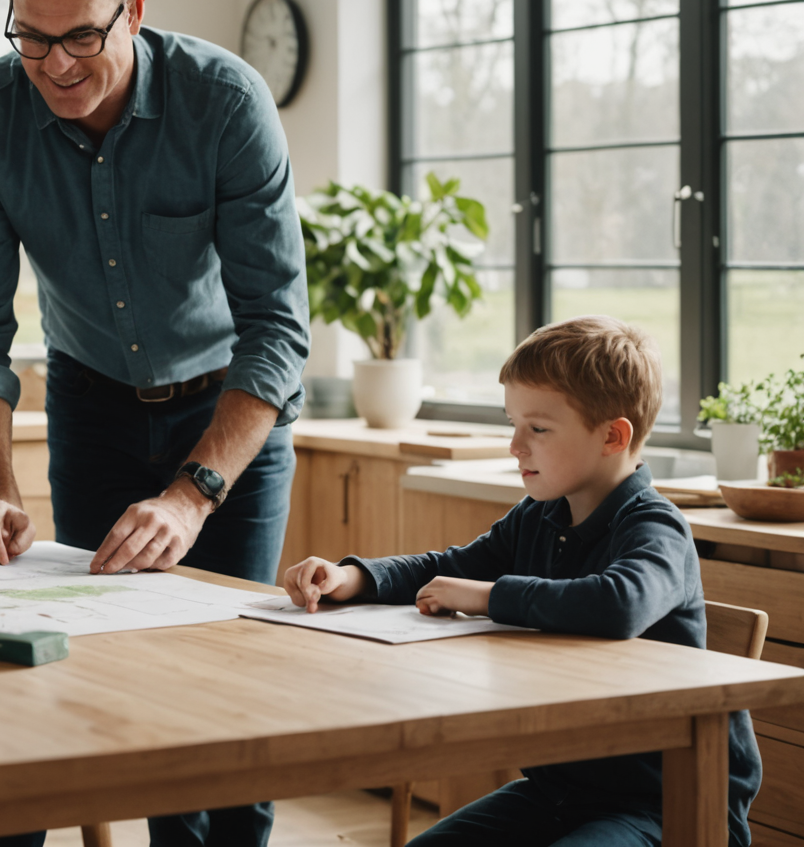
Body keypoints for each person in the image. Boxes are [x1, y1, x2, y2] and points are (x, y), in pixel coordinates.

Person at [0, 0, 309, 847]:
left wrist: (190, 495)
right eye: (31, 37)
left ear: (134, 10)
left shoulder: (225, 102)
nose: (56, 64)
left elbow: (276, 327)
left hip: (228, 418)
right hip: (93, 409)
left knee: (221, 697)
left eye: (81, 36)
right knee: (88, 671)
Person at [284, 316, 761, 847]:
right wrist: (356, 577)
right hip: (561, 789)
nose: (515, 445)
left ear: (612, 435)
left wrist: (488, 597)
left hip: (665, 802)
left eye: (537, 428)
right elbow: (451, 566)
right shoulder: (539, 516)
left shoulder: (655, 526)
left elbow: (619, 604)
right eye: (513, 423)